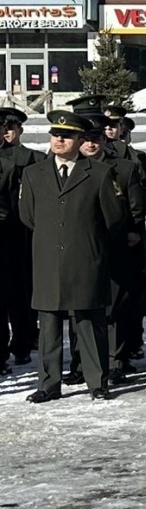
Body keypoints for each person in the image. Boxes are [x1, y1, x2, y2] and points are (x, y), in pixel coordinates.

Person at [20, 111, 125, 403]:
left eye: (66, 136)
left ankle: (97, 381)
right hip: (47, 259)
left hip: (86, 259)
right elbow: (28, 216)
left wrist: (89, 243)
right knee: (49, 324)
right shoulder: (33, 174)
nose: (59, 140)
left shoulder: (99, 173)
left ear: (80, 139)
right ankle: (48, 383)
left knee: (90, 323)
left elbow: (113, 219)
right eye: (55, 135)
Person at [76, 114, 146, 384]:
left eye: (96, 139)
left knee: (116, 305)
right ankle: (81, 361)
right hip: (82, 246)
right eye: (85, 139)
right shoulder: (71, 167)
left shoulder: (123, 167)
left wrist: (133, 231)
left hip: (116, 244)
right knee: (82, 304)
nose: (90, 144)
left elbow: (136, 204)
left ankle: (115, 360)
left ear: (104, 140)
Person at [0, 109, 43, 367]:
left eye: (10, 126)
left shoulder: (30, 158)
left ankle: (23, 342)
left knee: (21, 291)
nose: (7, 131)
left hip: (19, 232)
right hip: (6, 230)